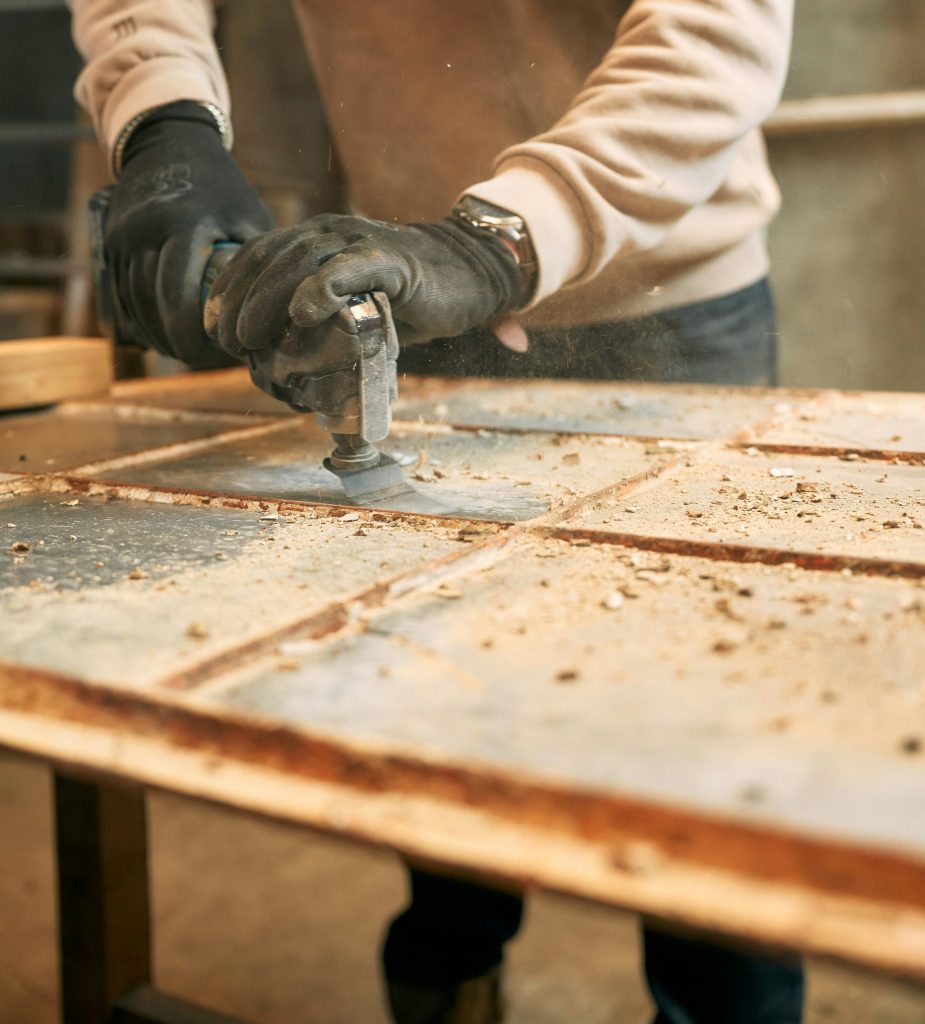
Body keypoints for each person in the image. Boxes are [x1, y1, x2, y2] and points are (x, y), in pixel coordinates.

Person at [67, 2, 802, 1021]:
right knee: (442, 700)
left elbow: (712, 29)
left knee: (703, 758)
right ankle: (448, 976)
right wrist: (163, 115)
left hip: (663, 278)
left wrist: (497, 241)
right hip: (413, 277)